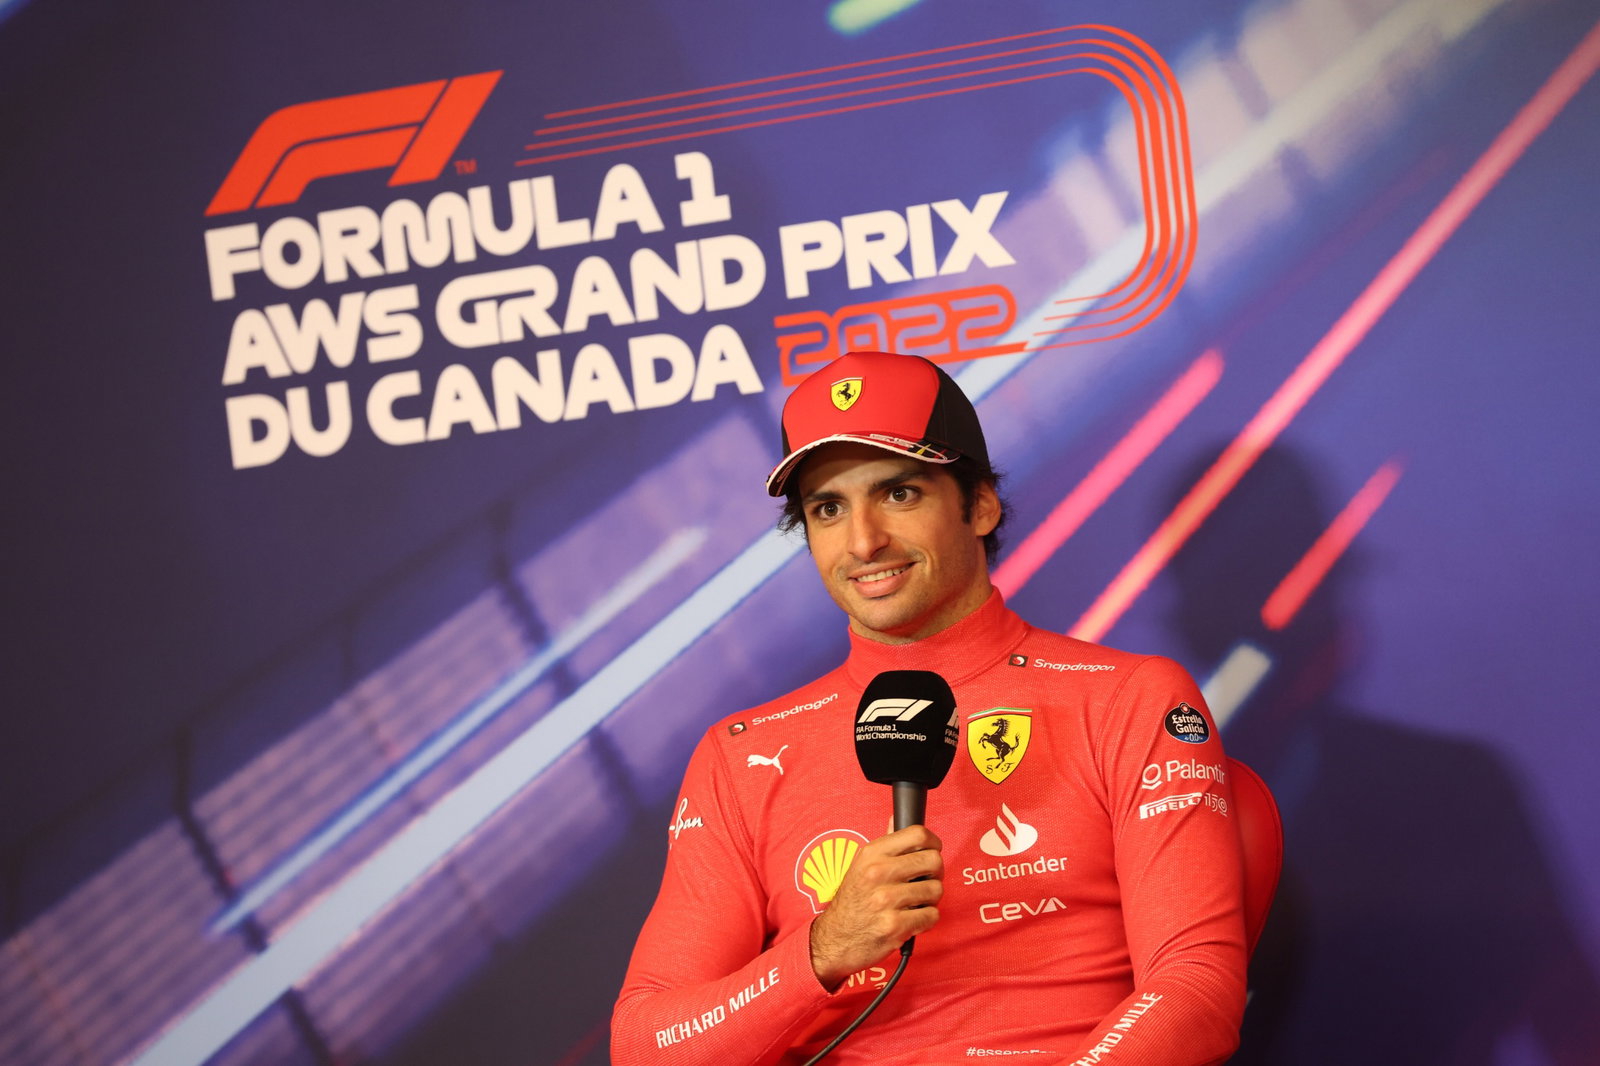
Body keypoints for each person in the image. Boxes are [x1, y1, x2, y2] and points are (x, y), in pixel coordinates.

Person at [612, 351, 1247, 1065]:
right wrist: (823, 951)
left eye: (899, 494)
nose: (863, 542)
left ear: (979, 503)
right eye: (827, 509)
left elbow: (1195, 986)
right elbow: (647, 1045)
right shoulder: (742, 754)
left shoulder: (1128, 698)